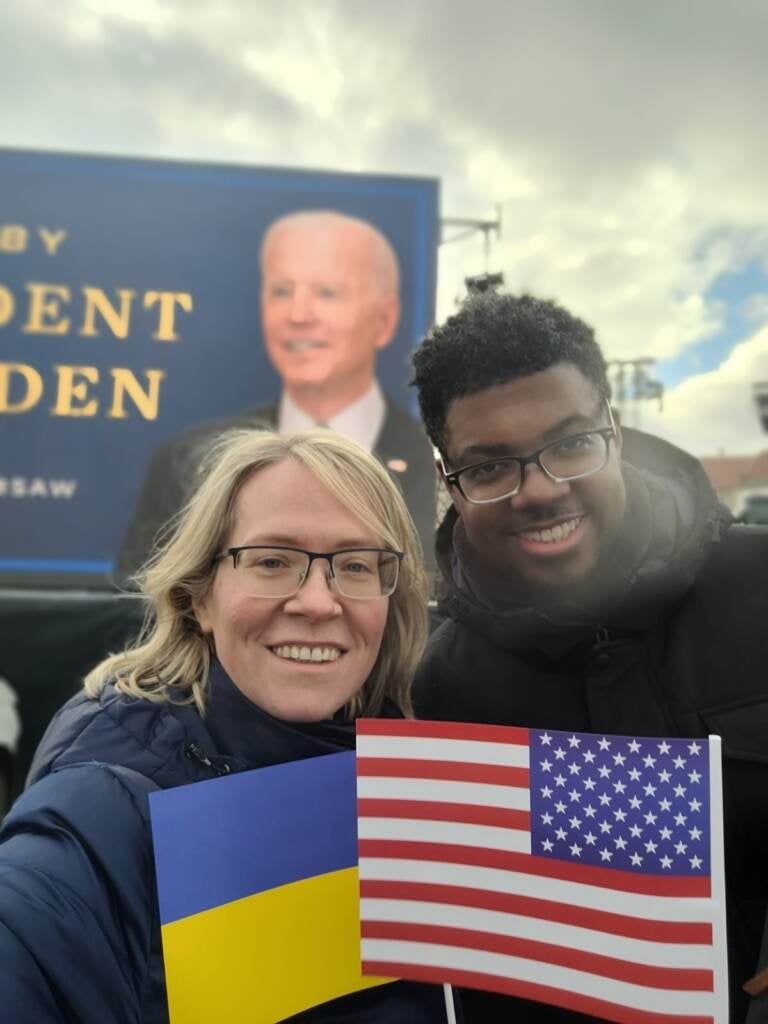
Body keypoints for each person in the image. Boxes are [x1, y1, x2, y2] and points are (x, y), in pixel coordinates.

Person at [0, 428, 455, 1023]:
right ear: (200, 597)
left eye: (355, 565)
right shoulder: (109, 795)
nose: (319, 602)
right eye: (272, 561)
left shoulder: (425, 773)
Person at [411, 292, 768, 1023]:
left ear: (615, 428)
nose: (538, 491)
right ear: (450, 482)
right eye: (489, 469)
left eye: (571, 444)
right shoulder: (437, 688)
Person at [117, 209, 436, 580]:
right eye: (282, 291)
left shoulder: (441, 471)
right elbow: (139, 613)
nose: (298, 314)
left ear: (384, 320)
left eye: (327, 292)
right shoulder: (184, 466)